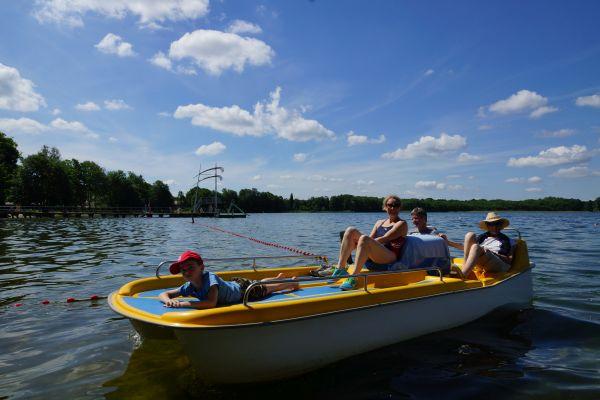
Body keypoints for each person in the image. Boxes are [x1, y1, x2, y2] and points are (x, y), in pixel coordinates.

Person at [159, 250, 299, 309]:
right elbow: (164, 294)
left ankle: (292, 283)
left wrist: (182, 304)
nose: (186, 271)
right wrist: (169, 301)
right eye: (183, 270)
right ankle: (278, 277)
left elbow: (211, 303)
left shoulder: (210, 279)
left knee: (268, 288)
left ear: (201, 267)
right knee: (261, 282)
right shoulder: (189, 286)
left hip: (244, 291)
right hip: (236, 284)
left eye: (190, 267)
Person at [334, 195, 408, 290]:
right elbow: (371, 238)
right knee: (350, 230)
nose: (393, 208)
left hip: (389, 257)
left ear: (399, 207)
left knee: (364, 239)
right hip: (375, 255)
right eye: (390, 205)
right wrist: (357, 243)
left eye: (396, 205)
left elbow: (385, 238)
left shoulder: (401, 224)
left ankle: (354, 277)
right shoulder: (379, 222)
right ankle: (340, 268)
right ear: (385, 207)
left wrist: (360, 243)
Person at [458, 212, 514, 277]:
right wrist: (448, 242)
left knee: (476, 246)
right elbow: (468, 249)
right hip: (484, 260)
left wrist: (493, 253)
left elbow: (509, 260)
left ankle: (463, 275)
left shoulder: (508, 240)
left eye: (497, 224)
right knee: (470, 235)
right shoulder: (482, 237)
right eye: (491, 224)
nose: (494, 227)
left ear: (501, 225)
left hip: (501, 265)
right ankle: (464, 268)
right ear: (487, 226)